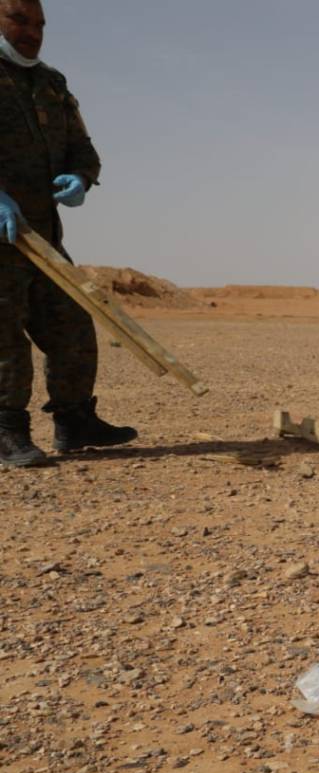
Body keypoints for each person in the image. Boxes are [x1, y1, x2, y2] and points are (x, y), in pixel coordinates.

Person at [0, 0, 135, 468]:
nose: (31, 32)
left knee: (73, 323)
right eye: (19, 19)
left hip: (41, 236)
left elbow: (83, 148)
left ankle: (74, 421)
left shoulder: (51, 85)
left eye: (39, 24)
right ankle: (7, 431)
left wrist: (80, 177)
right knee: (3, 336)